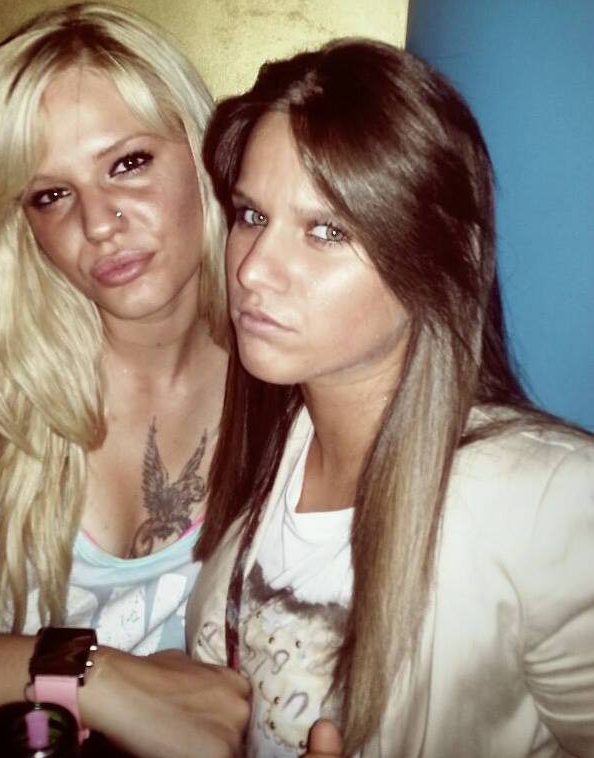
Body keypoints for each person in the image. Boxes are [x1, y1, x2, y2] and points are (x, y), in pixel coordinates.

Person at [0, 3, 248, 755]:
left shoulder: (278, 345)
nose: (98, 222)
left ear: (202, 152)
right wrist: (86, 679)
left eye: (127, 163)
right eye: (50, 194)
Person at [187, 38, 594, 758]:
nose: (253, 270)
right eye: (251, 216)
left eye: (326, 231)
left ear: (435, 259)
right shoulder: (265, 448)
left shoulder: (552, 504)